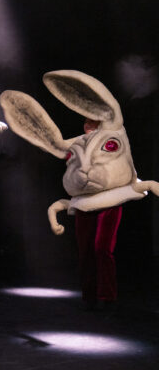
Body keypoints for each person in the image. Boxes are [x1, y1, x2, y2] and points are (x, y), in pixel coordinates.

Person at [75, 118, 121, 309]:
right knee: (85, 250)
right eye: (87, 126)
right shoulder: (79, 146)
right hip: (85, 201)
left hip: (109, 201)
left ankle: (107, 296)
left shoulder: (113, 143)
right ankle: (90, 297)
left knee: (102, 247)